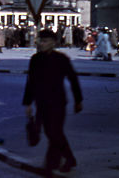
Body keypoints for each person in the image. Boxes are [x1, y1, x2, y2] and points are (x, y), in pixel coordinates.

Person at [23, 28, 83, 175]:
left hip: (58, 102)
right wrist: (28, 103)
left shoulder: (61, 59)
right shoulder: (35, 59)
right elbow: (31, 82)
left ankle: (51, 165)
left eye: (45, 41)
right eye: (40, 41)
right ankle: (68, 159)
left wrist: (78, 100)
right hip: (41, 102)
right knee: (52, 133)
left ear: (53, 43)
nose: (41, 44)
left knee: (54, 132)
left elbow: (73, 79)